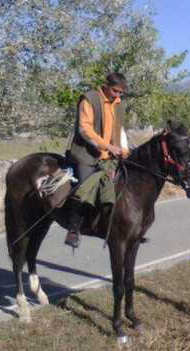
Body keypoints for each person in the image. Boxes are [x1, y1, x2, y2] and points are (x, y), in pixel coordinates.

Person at [64, 72, 129, 248]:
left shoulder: (118, 105)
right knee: (86, 187)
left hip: (110, 155)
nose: (117, 95)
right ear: (105, 83)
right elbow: (85, 129)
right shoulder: (89, 99)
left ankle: (125, 230)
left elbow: (120, 129)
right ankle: (73, 230)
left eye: (121, 93)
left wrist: (124, 149)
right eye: (115, 91)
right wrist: (107, 146)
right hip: (87, 154)